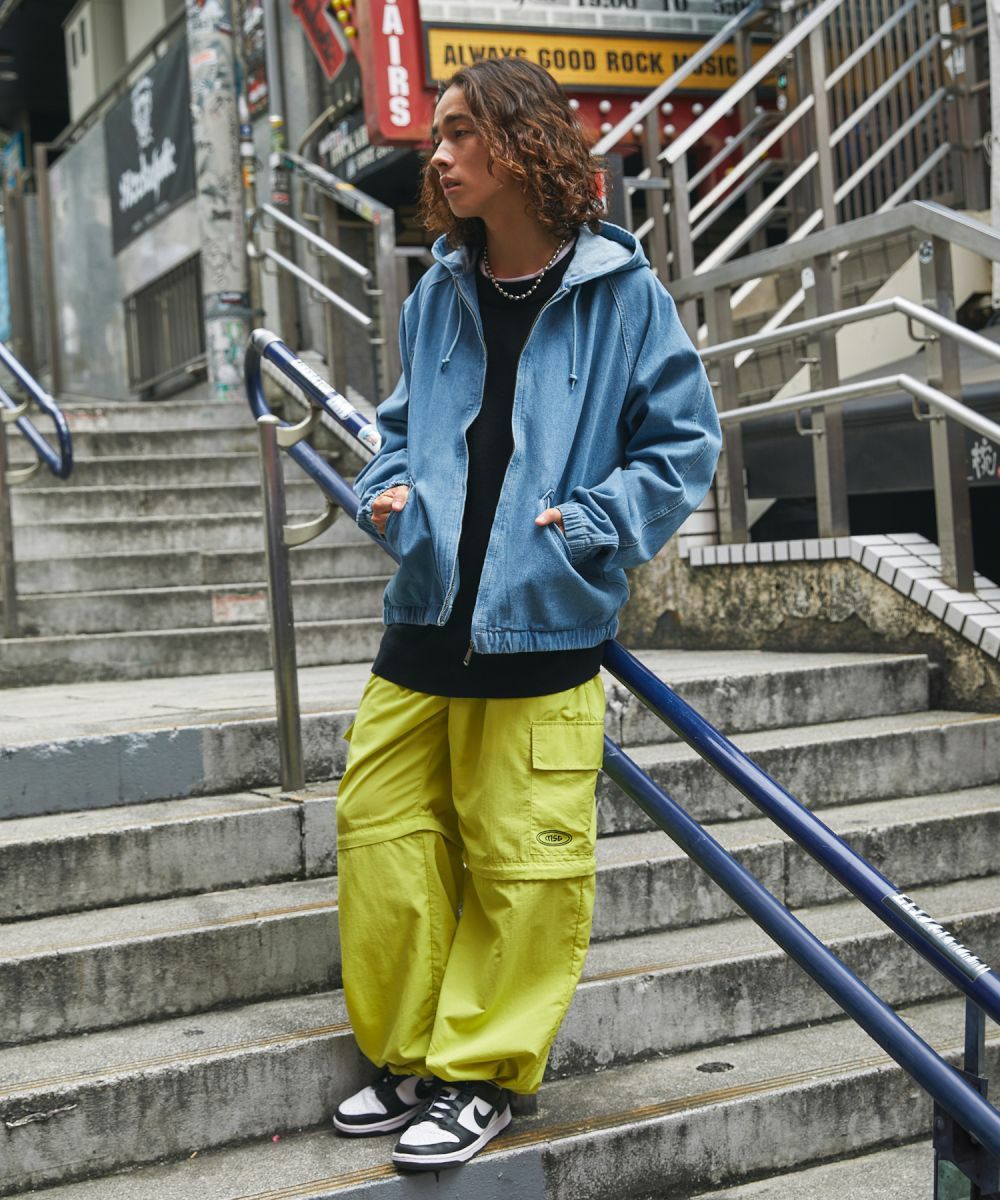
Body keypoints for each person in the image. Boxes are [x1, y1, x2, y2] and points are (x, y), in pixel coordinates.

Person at [332, 57, 721, 1172]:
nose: (439, 153)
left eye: (461, 131)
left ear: (521, 142)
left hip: (542, 624)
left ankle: (482, 1075)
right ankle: (410, 1057)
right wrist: (387, 495)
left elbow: (682, 444)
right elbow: (396, 432)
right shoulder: (436, 294)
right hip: (423, 617)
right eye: (437, 136)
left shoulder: (620, 293)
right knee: (381, 839)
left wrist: (592, 525)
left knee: (523, 864)